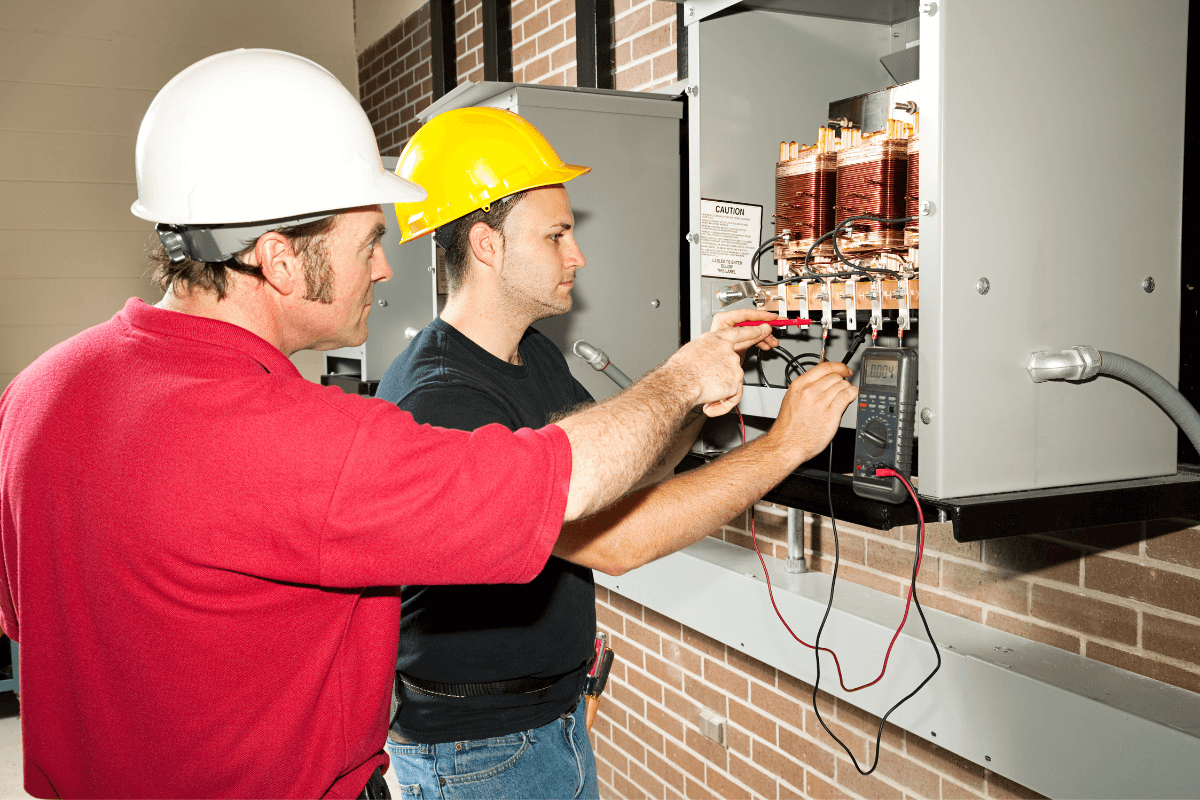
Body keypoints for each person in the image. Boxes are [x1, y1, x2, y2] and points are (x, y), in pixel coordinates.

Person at [0, 50, 770, 800]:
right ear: (279, 260)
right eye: (369, 240)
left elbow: (32, 621)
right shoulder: (305, 441)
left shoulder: (37, 393)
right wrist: (691, 382)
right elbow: (560, 484)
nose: (385, 270)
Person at [376, 108, 857, 800]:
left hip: (541, 725)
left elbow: (624, 468)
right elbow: (617, 539)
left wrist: (706, 379)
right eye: (557, 235)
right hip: (480, 752)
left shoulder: (524, 354)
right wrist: (784, 445)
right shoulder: (445, 399)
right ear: (486, 244)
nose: (577, 256)